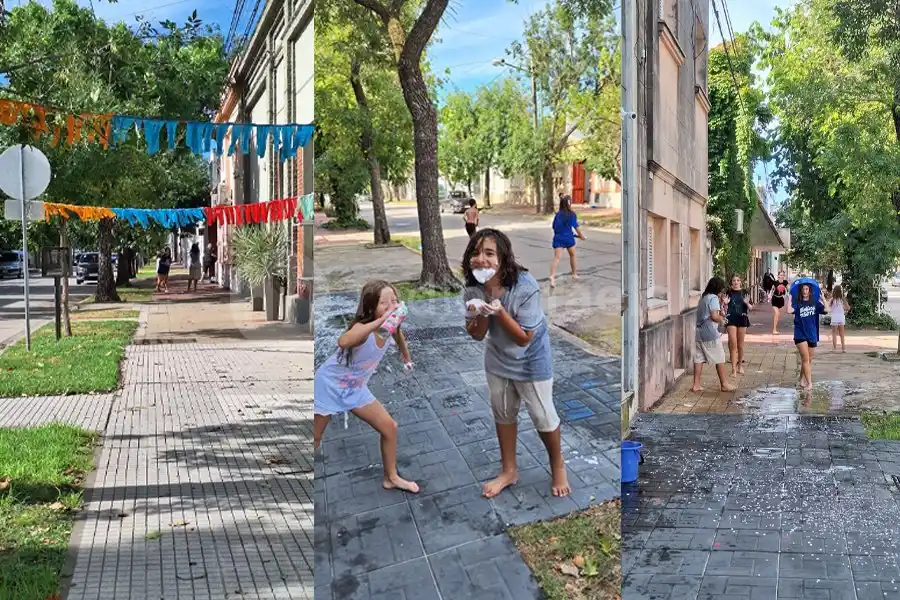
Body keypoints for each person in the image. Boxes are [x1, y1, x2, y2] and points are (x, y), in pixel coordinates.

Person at [463, 228, 569, 498]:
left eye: (489, 253)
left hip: (531, 360)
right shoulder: (473, 287)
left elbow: (524, 338)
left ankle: (557, 465)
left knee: (543, 415)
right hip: (498, 358)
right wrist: (484, 312)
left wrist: (499, 311)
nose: (481, 259)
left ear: (503, 257)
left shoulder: (525, 286)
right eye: (476, 253)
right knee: (503, 412)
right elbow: (476, 335)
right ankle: (509, 471)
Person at [313, 280, 419, 494]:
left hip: (356, 389)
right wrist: (380, 320)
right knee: (315, 436)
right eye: (384, 303)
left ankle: (391, 477)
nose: (392, 306)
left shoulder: (390, 328)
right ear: (371, 308)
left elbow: (399, 336)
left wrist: (406, 358)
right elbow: (343, 341)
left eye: (394, 301)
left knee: (390, 427)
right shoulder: (362, 329)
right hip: (328, 386)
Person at [691, 277, 736, 393]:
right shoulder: (713, 298)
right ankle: (724, 384)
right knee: (720, 357)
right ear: (717, 288)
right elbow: (714, 316)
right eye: (721, 288)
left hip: (699, 332)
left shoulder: (703, 298)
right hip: (709, 332)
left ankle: (696, 384)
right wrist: (722, 320)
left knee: (699, 358)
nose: (722, 291)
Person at [789, 281, 827, 389]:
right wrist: (790, 298)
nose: (805, 291)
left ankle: (801, 379)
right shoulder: (797, 303)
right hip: (800, 334)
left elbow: (827, 310)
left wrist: (823, 298)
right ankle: (810, 383)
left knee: (808, 360)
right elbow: (788, 310)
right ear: (801, 291)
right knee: (805, 359)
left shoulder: (814, 303)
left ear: (809, 291)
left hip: (812, 334)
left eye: (807, 289)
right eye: (803, 289)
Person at [549, 195, 585, 288]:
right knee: (572, 255)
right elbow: (576, 227)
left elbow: (554, 227)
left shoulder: (557, 214)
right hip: (569, 238)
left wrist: (559, 234)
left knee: (557, 258)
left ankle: (552, 277)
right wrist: (581, 236)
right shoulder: (572, 214)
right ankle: (574, 274)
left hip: (558, 238)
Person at [725, 275, 753, 376]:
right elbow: (723, 308)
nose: (736, 282)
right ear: (731, 282)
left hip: (742, 319)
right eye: (734, 280)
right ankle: (733, 369)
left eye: (737, 280)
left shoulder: (745, 292)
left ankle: (740, 366)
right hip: (731, 319)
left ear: (740, 282)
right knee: (733, 344)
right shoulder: (728, 292)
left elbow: (751, 307)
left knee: (740, 346)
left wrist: (747, 303)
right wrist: (725, 304)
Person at [828, 284, 850, 353]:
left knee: (834, 334)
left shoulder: (832, 300)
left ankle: (834, 348)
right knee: (842, 334)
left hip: (834, 318)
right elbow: (848, 308)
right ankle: (843, 348)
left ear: (834, 291)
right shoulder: (843, 300)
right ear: (841, 292)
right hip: (841, 318)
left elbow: (828, 307)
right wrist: (844, 309)